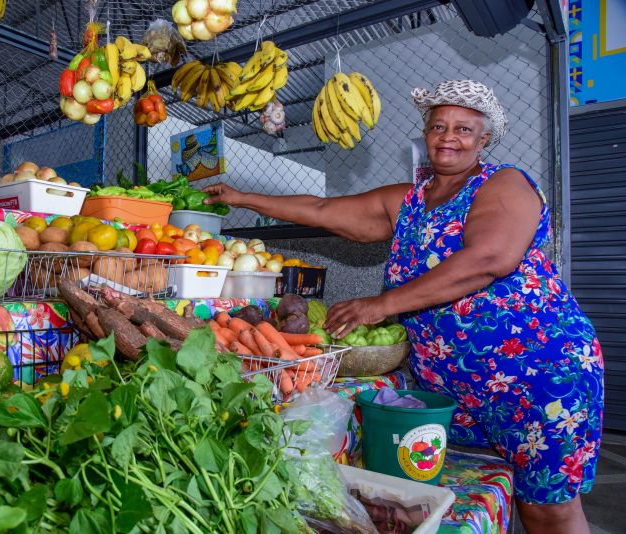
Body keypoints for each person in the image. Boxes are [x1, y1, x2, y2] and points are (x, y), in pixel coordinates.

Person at [204, 80, 604, 534]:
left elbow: (490, 259)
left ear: (484, 139)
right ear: (425, 133)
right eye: (439, 126)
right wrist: (241, 198)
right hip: (462, 383)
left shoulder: (505, 183)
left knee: (546, 506)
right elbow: (320, 207)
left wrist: (382, 305)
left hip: (539, 370)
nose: (449, 136)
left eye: (465, 129)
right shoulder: (408, 201)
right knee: (492, 484)